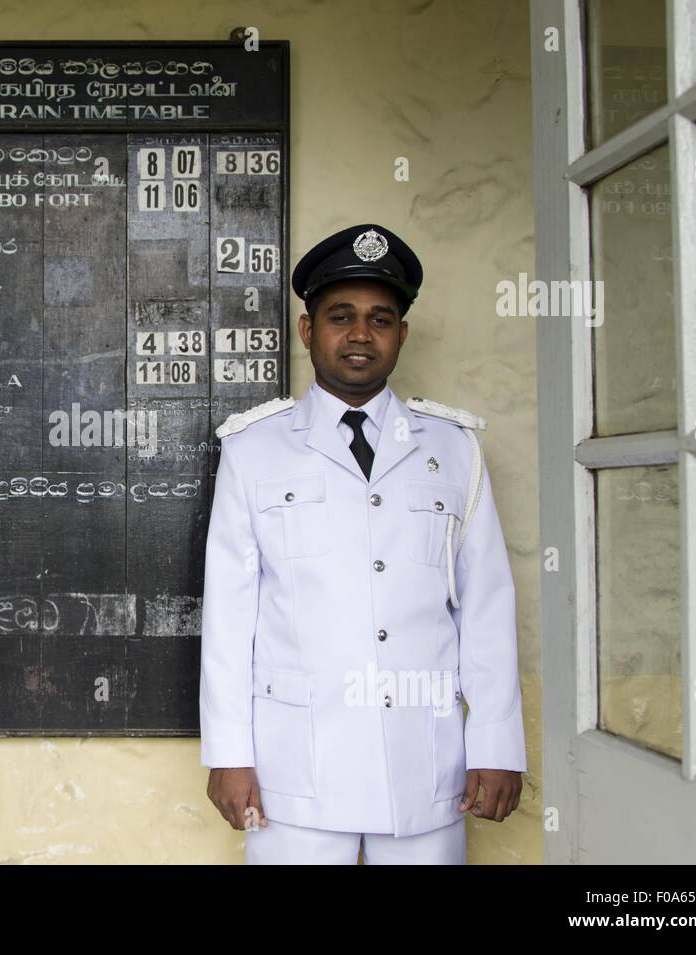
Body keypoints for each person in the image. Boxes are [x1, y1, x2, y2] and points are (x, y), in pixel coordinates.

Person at [199, 223, 525, 865]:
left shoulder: (454, 450)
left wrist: (496, 745)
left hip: (424, 765)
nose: (359, 334)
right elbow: (230, 617)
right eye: (340, 316)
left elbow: (485, 608)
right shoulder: (254, 450)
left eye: (380, 319)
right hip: (296, 769)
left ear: (402, 334)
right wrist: (228, 754)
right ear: (307, 330)